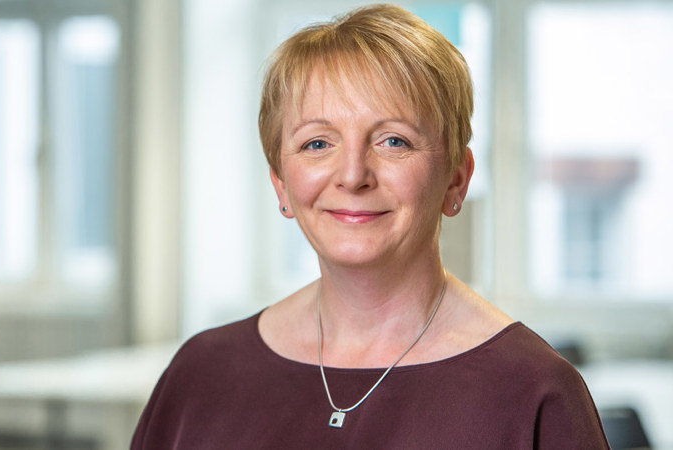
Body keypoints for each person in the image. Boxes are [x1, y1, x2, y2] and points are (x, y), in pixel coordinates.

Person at [131, 3, 609, 448]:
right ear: (281, 184)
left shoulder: (534, 393)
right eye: (317, 144)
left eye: (394, 141)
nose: (353, 175)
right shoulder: (200, 375)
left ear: (456, 180)